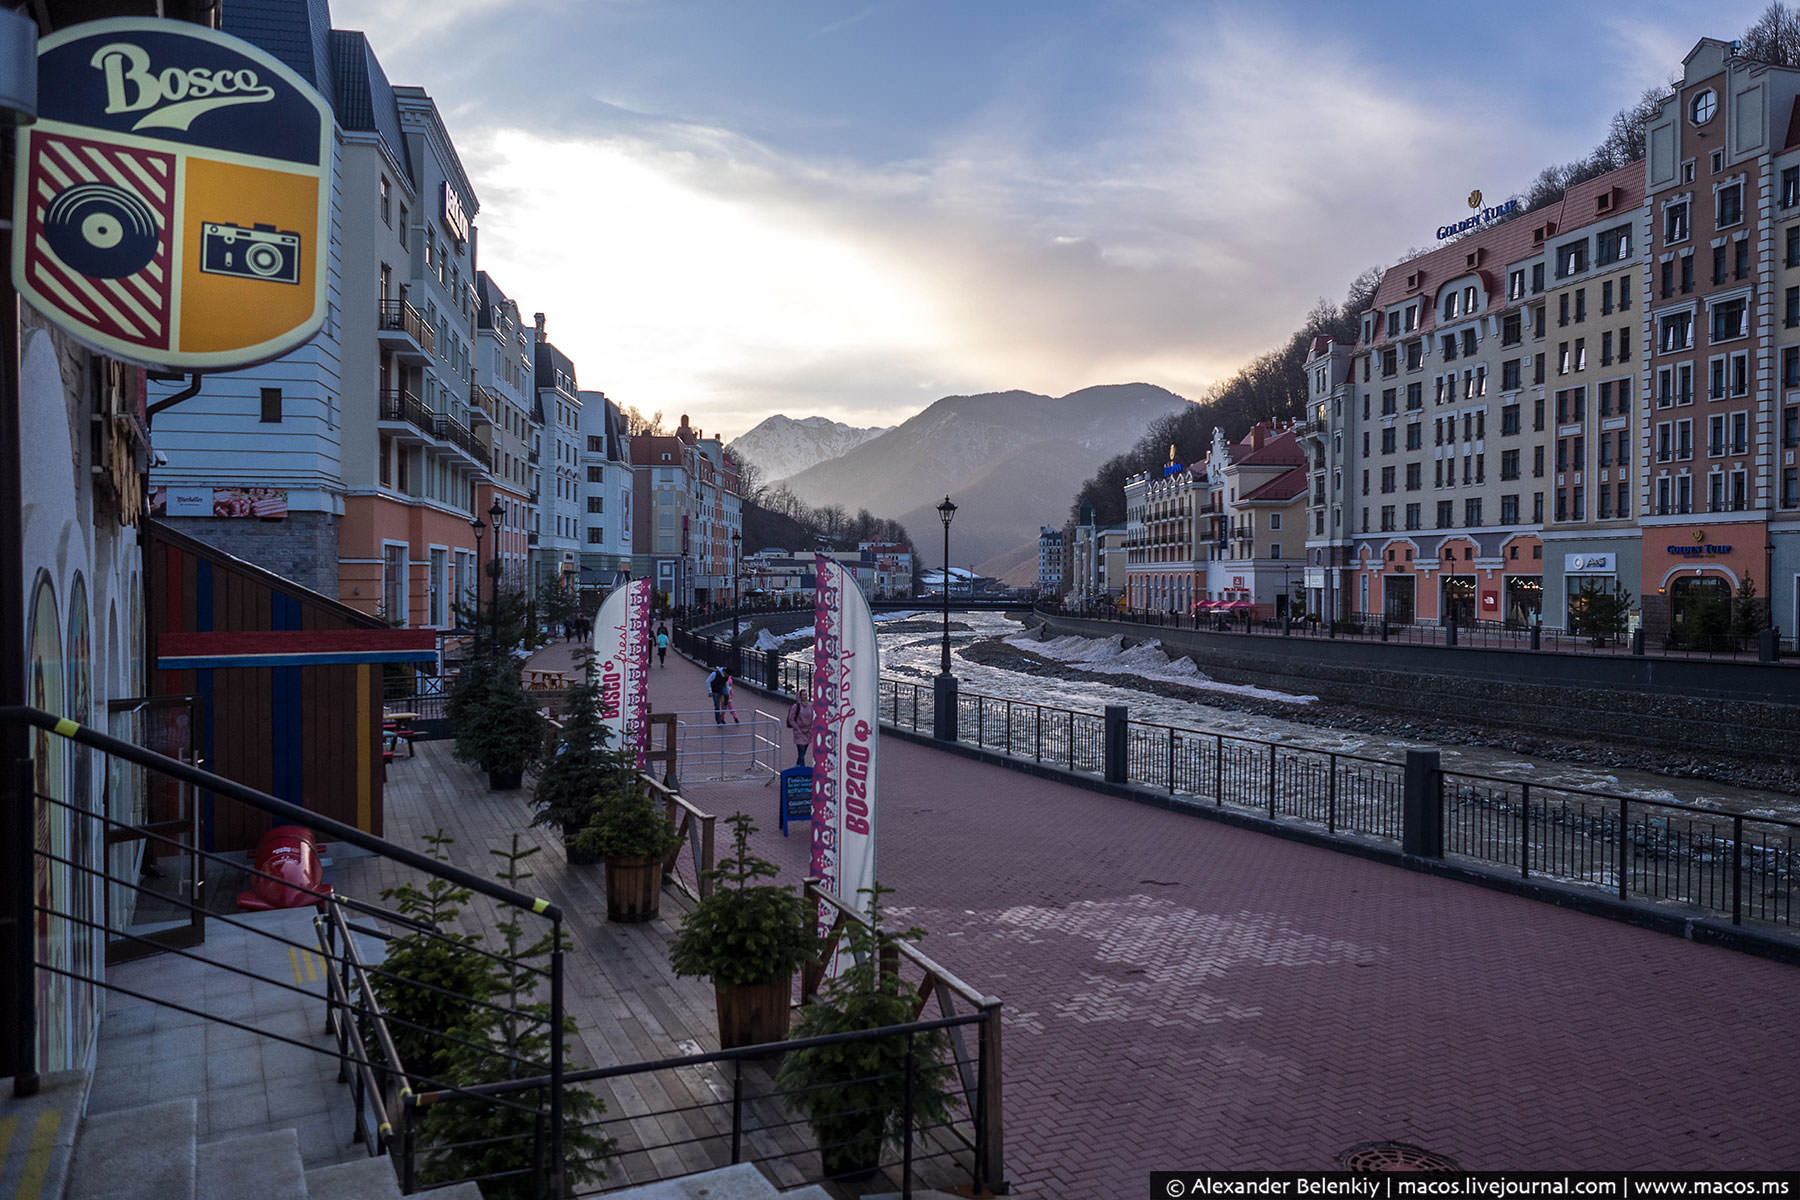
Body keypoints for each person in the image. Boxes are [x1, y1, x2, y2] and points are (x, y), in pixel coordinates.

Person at [785, 689, 814, 766]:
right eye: (803, 695)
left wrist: (811, 728)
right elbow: (791, 719)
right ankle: (802, 771)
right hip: (799, 733)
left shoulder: (810, 706)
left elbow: (813, 717)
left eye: (806, 694)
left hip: (808, 733)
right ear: (800, 696)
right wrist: (797, 729)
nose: (805, 696)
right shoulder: (796, 707)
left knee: (803, 753)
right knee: (801, 752)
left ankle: (797, 767)